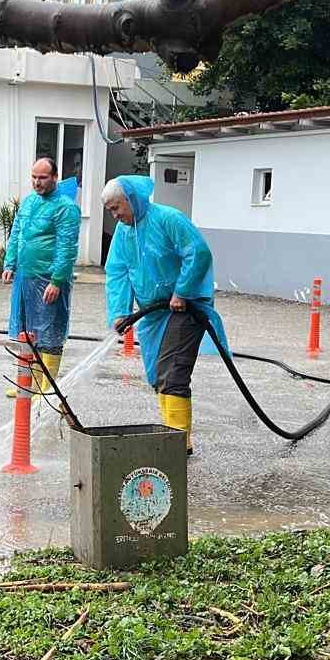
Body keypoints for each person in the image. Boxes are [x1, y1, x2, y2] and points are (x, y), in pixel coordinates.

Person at [103, 174, 227, 456]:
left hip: (185, 307)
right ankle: (171, 434)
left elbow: (198, 252)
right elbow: (118, 272)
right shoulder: (125, 232)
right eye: (110, 210)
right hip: (154, 314)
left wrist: (182, 291)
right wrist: (121, 312)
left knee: (173, 374)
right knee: (158, 374)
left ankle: (178, 443)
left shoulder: (169, 219)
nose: (114, 215)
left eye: (116, 208)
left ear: (132, 200)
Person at [3, 158, 81, 396]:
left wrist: (57, 280)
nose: (37, 182)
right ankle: (28, 382)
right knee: (26, 329)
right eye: (34, 177)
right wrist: (10, 263)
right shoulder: (28, 203)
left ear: (55, 177)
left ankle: (47, 384)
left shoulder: (66, 208)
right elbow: (17, 233)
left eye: (43, 177)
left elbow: (67, 246)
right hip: (25, 277)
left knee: (50, 330)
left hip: (48, 278)